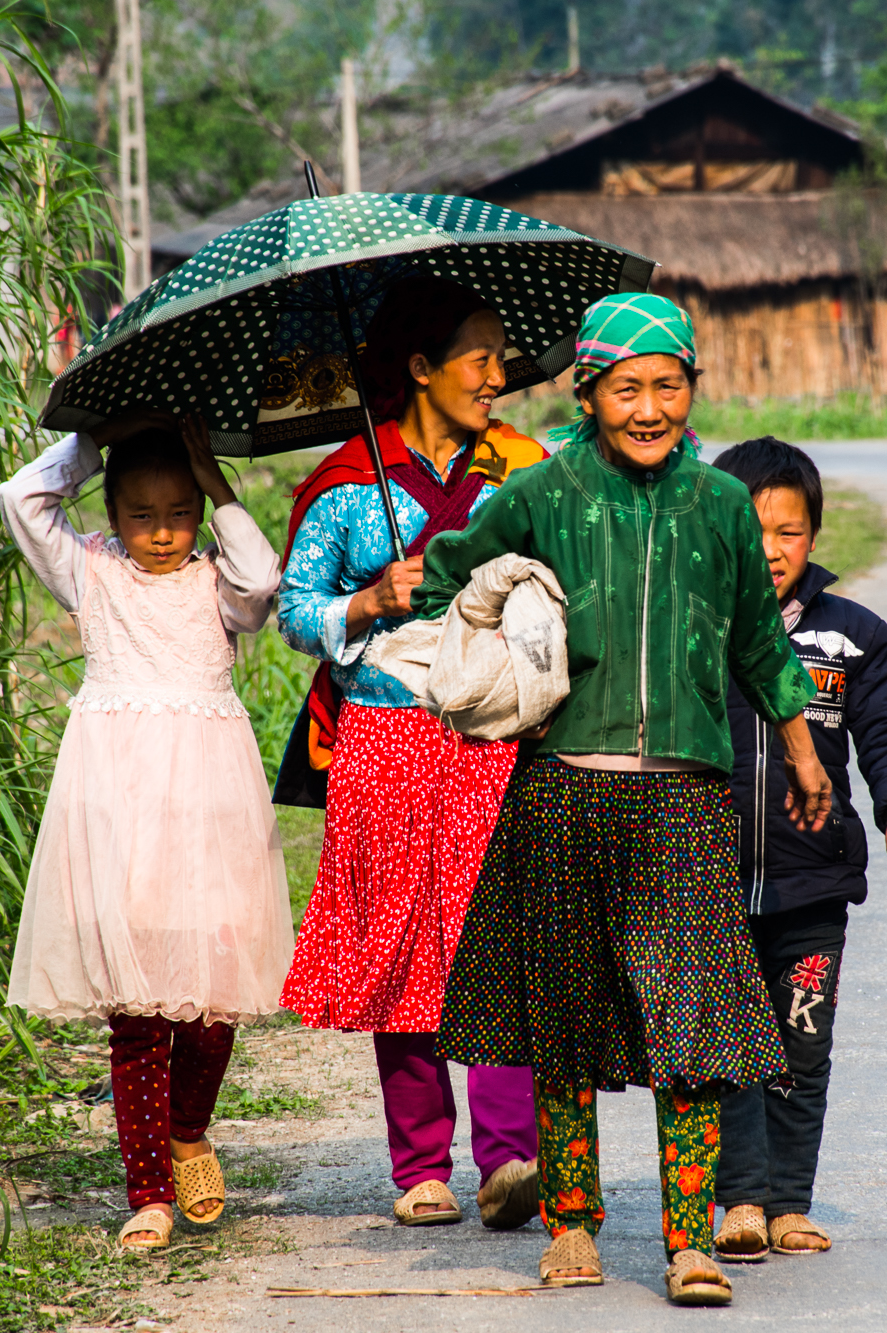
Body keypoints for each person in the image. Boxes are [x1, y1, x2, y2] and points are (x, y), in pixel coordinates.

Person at [421, 294, 832, 1308]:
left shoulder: (718, 505)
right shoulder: (544, 490)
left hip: (686, 799)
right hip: (562, 789)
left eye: (667, 385)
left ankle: (686, 1237)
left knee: (688, 1027)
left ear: (691, 388)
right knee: (565, 1023)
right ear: (588, 392)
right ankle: (570, 1222)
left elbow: (755, 640)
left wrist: (800, 746)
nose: (647, 407)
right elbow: (451, 569)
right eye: (626, 387)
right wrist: (458, 593)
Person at [276, 274, 550, 1229]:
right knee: (401, 941)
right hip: (386, 736)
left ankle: (512, 1156)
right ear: (421, 369)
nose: (497, 376)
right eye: (479, 358)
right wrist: (364, 602)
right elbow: (294, 610)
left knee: (496, 936)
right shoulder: (352, 487)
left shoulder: (516, 474)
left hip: (488, 736)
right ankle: (421, 1164)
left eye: (501, 358)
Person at [0, 411, 295, 1251]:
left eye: (177, 513)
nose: (161, 533)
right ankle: (150, 1191)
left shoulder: (215, 583)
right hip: (119, 810)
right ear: (109, 512)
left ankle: (190, 1127)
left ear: (198, 512)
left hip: (209, 810)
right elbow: (21, 496)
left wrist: (218, 482)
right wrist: (91, 448)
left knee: (210, 1004)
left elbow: (263, 576)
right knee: (136, 1013)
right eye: (140, 514)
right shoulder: (90, 571)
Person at [705, 437, 887, 1263]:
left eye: (790, 532)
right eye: (752, 529)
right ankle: (738, 1197)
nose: (770, 550)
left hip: (813, 883)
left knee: (802, 1044)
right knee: (728, 1047)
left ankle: (788, 1200)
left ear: (815, 536)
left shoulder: (854, 635)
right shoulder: (694, 628)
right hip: (709, 881)